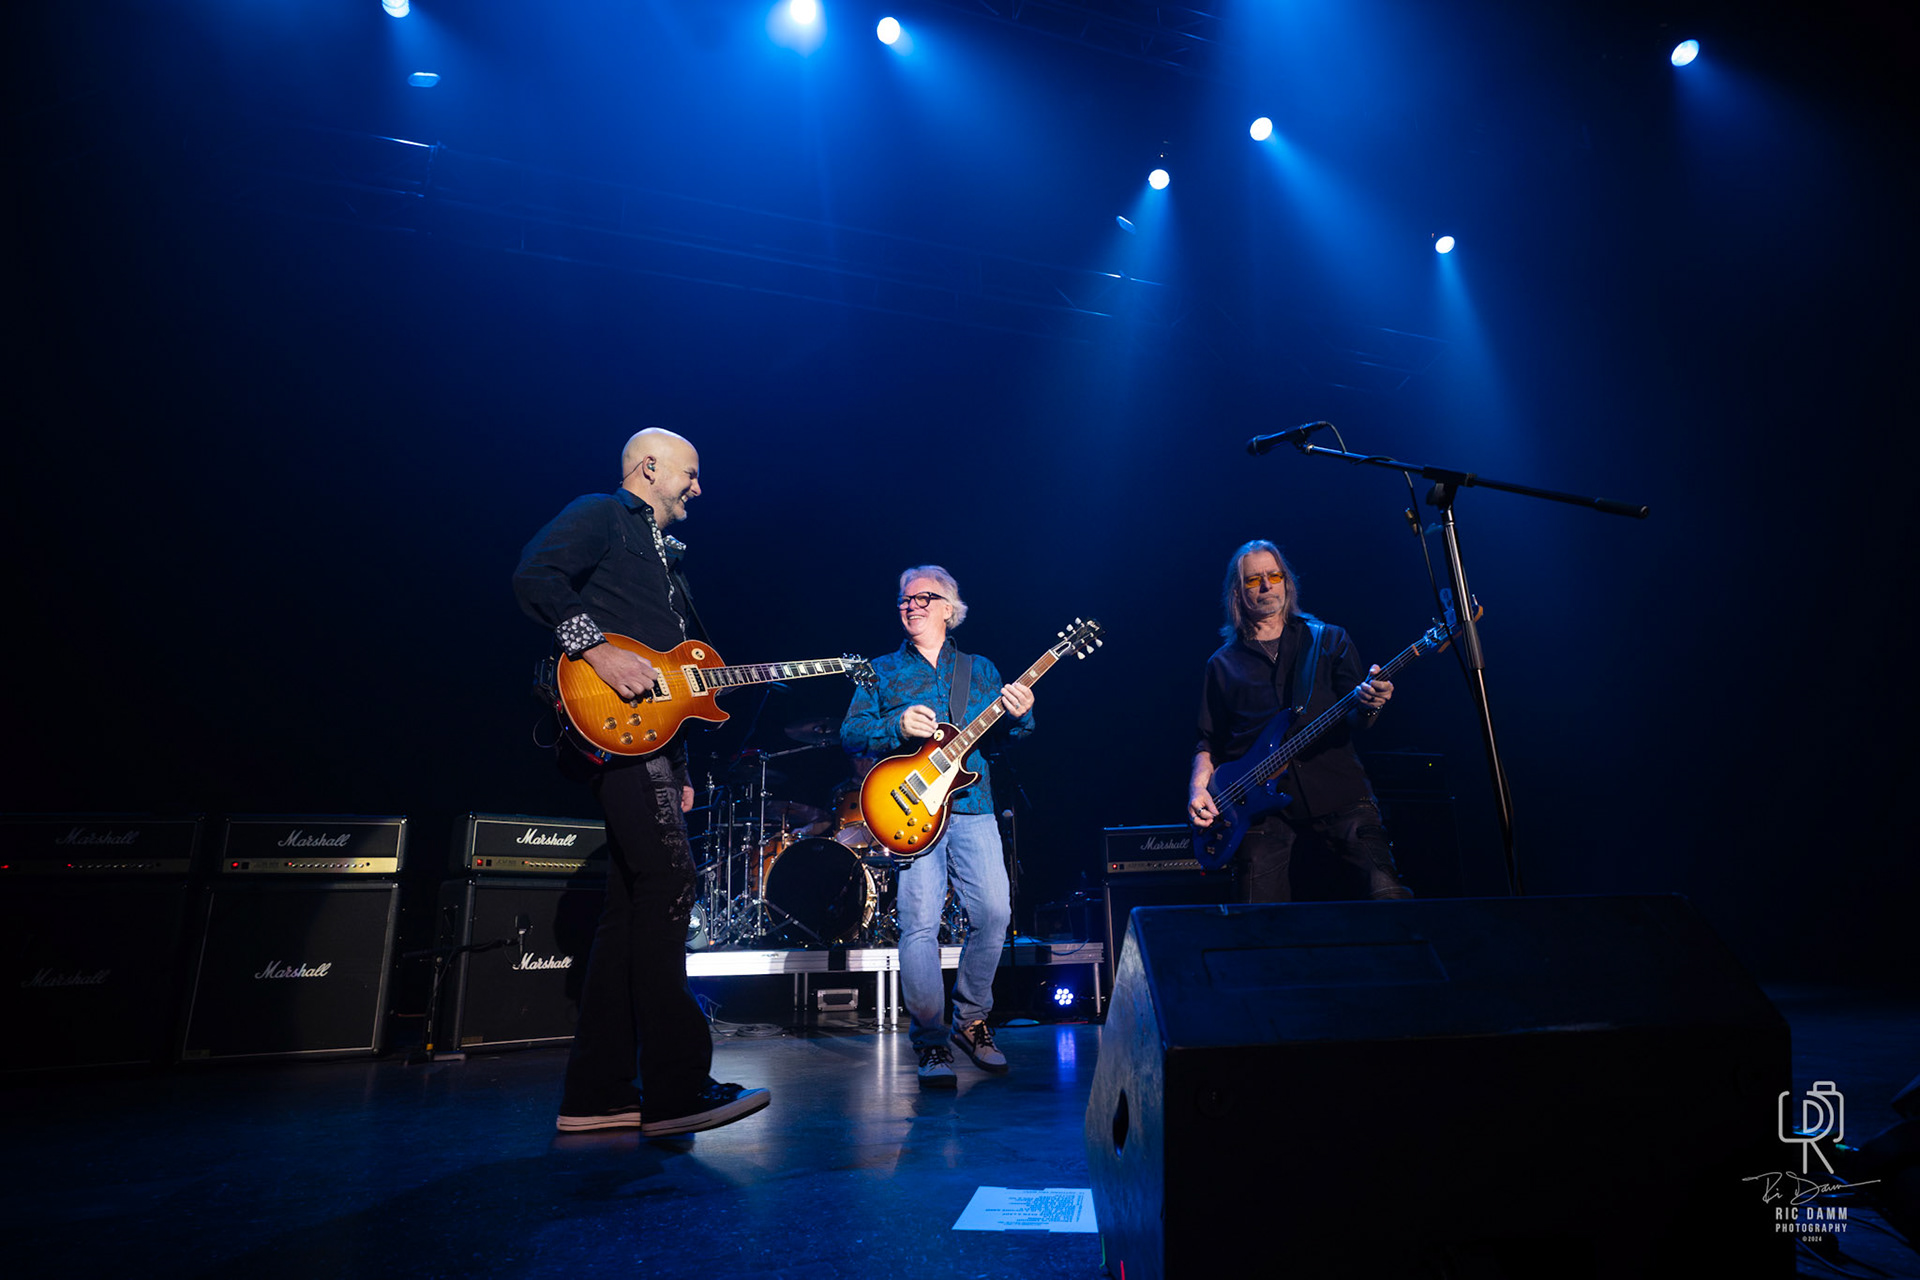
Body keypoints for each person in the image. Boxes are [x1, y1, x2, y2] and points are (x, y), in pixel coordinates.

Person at [512, 427, 770, 1138]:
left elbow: (673, 678)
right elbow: (535, 577)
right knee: (670, 885)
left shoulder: (668, 560)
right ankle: (677, 1089)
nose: (698, 488)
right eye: (690, 473)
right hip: (607, 730)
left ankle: (598, 1095)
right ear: (649, 468)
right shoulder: (601, 513)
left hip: (649, 744)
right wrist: (595, 650)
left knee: (630, 907)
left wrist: (681, 768)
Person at [840, 565, 1034, 1088]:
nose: (910, 605)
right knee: (920, 923)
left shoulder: (981, 669)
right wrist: (895, 725)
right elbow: (851, 733)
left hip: (973, 804)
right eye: (904, 599)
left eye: (922, 597)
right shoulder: (880, 670)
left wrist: (1020, 714)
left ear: (949, 608)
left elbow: (1009, 737)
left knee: (994, 913)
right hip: (912, 812)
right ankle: (930, 1041)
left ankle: (971, 1021)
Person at [1187, 540, 1414, 904]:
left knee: (1387, 897)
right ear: (1237, 592)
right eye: (1254, 580)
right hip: (1257, 812)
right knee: (1257, 921)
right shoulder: (1222, 664)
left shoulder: (1329, 639)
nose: (1266, 586)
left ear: (1287, 581)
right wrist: (1198, 789)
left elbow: (1358, 717)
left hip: (1338, 792)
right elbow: (1208, 740)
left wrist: (1372, 704)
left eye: (1274, 575)